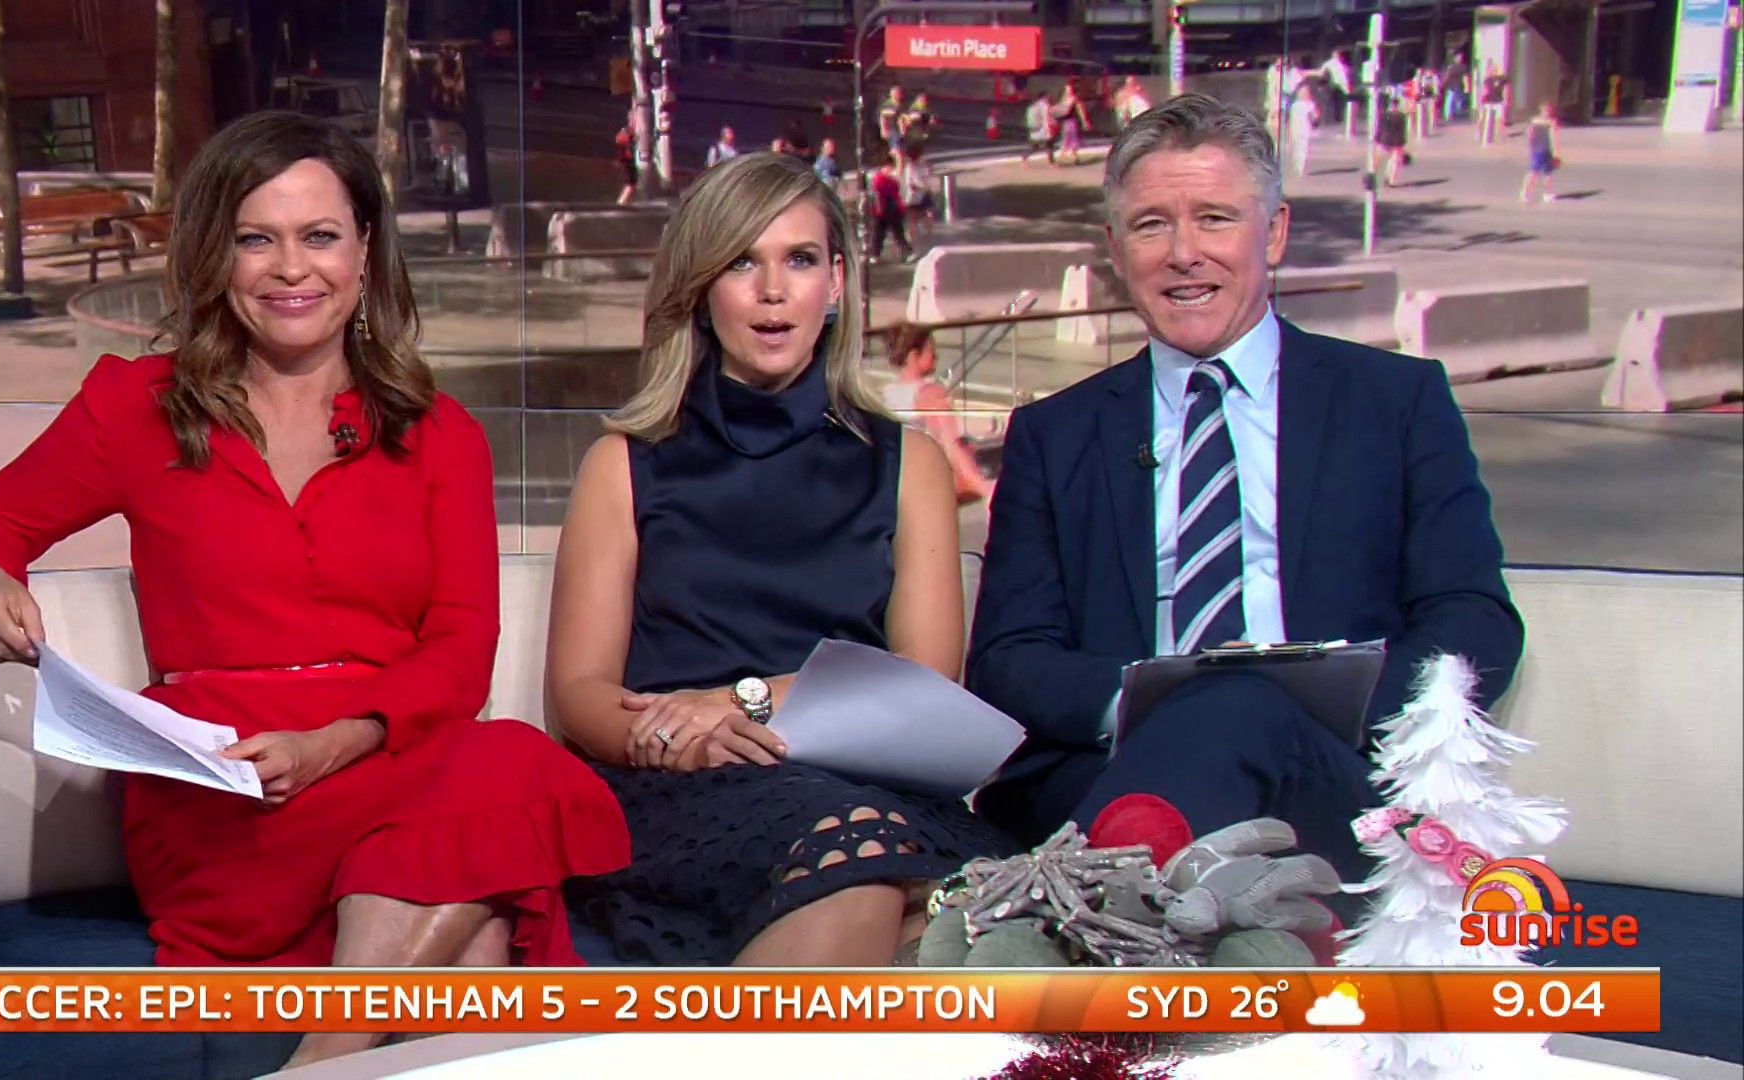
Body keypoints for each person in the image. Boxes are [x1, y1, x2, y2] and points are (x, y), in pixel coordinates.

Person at [0, 111, 630, 1067]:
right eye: (257, 239)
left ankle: (321, 1058)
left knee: (495, 791)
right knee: (486, 873)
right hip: (224, 793)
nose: (291, 269)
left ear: (365, 250)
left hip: (383, 760)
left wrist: (337, 741)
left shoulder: (440, 435)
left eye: (320, 236)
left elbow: (462, 653)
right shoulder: (137, 407)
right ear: (216, 254)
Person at [966, 95, 1522, 887]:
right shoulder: (1055, 435)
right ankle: (1170, 908)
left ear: (1276, 233)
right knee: (1215, 705)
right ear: (1116, 250)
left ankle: (1086, 910)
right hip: (1105, 773)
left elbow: (1476, 621)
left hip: (1325, 780)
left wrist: (1322, 708)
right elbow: (1009, 660)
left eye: (1214, 219)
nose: (1183, 253)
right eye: (1152, 225)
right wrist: (1151, 705)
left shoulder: (1396, 402)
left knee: (1241, 701)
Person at [546, 151, 1014, 966]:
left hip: (859, 779)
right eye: (741, 262)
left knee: (900, 876)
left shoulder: (908, 465)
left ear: (836, 284)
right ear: (701, 289)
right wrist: (684, 737)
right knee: (859, 862)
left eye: (799, 260)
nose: (772, 291)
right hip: (680, 784)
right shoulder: (623, 465)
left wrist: (742, 702)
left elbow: (925, 680)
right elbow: (579, 693)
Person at [882, 325, 995, 506]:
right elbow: (951, 445)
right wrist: (983, 488)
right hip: (928, 479)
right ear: (914, 355)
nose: (936, 356)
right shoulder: (930, 393)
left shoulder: (887, 393)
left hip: (898, 479)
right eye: (930, 350)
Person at [866, 154, 914, 263]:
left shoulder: (883, 177)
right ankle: (876, 254)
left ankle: (876, 254)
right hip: (886, 207)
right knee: (883, 233)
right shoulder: (882, 178)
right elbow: (878, 194)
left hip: (888, 208)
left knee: (891, 232)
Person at [1520, 101, 1560, 204]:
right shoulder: (1551, 122)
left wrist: (1529, 149)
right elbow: (1553, 137)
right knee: (1537, 172)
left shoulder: (1534, 121)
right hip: (1542, 150)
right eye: (1547, 110)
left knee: (1545, 173)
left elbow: (1529, 135)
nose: (1548, 112)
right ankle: (1531, 194)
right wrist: (1556, 153)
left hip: (1541, 149)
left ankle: (1543, 194)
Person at [899, 142, 936, 246]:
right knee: (913, 220)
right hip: (913, 197)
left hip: (923, 194)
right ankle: (910, 241)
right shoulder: (910, 168)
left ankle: (928, 237)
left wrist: (927, 186)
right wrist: (924, 187)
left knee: (929, 214)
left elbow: (927, 177)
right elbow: (911, 184)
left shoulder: (922, 166)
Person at [1374, 87, 1410, 187]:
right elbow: (1402, 130)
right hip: (1393, 140)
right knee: (1394, 161)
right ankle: (1390, 179)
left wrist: (1377, 139)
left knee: (1391, 160)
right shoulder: (1400, 116)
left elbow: (1379, 128)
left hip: (1388, 140)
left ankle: (1388, 178)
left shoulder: (1385, 115)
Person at [1052, 82, 1091, 166]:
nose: (1068, 91)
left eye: (1069, 89)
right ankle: (1067, 160)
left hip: (1068, 122)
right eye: (1067, 90)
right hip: (1069, 122)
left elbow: (1080, 110)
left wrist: (1084, 122)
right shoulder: (1070, 99)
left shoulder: (1064, 100)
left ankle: (1069, 160)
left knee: (1069, 141)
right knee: (1069, 141)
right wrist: (1085, 122)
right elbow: (1080, 110)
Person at [1287, 83, 1321, 178]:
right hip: (1295, 128)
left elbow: (1316, 116)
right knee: (1296, 148)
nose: (1304, 94)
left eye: (1306, 92)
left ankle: (1300, 168)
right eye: (1302, 92)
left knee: (1302, 148)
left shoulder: (1309, 104)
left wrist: (1314, 117)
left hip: (1304, 129)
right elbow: (1291, 118)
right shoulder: (1295, 104)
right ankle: (1296, 166)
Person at [1478, 62, 1509, 145]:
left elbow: (1506, 88)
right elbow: (1485, 91)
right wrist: (1482, 101)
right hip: (1488, 102)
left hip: (1498, 101)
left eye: (1493, 69)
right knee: (1482, 119)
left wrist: (1506, 99)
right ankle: (1480, 133)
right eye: (1490, 70)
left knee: (1500, 119)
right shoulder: (1487, 80)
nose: (1492, 71)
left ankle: (1503, 135)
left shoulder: (1501, 79)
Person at [1023, 91, 1056, 165]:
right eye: (1048, 96)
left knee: (1034, 146)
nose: (1050, 97)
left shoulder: (1034, 105)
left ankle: (1024, 158)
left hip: (1035, 129)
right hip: (1044, 129)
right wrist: (1050, 128)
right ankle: (1052, 162)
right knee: (1049, 145)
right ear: (1045, 96)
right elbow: (1046, 118)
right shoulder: (1045, 105)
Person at [614, 119, 638, 204]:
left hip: (626, 161)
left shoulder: (622, 136)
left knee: (631, 183)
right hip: (627, 161)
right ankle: (622, 202)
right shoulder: (625, 135)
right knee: (631, 183)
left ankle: (625, 202)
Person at [878, 85, 906, 156]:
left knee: (900, 150)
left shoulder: (899, 104)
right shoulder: (888, 104)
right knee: (896, 150)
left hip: (898, 130)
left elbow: (901, 117)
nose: (899, 95)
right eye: (897, 93)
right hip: (891, 130)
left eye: (900, 93)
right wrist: (883, 129)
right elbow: (883, 117)